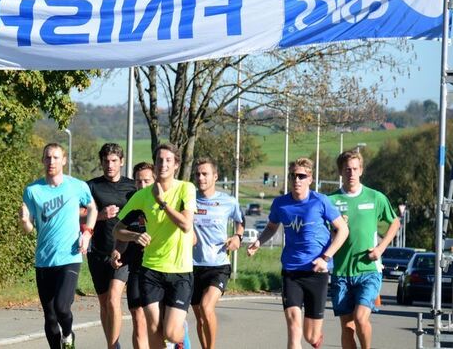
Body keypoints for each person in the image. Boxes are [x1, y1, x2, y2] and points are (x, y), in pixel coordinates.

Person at [247, 157, 349, 349]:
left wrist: (325, 258)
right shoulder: (280, 204)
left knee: (310, 336)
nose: (297, 180)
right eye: (293, 175)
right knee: (294, 327)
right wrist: (259, 241)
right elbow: (271, 227)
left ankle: (316, 337)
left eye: (301, 176)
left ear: (310, 179)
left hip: (316, 271)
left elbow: (343, 230)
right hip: (291, 270)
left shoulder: (321, 201)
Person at [113, 143, 196, 348]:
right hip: (151, 270)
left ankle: (180, 331)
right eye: (159, 160)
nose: (163, 164)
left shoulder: (186, 188)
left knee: (170, 332)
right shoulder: (142, 195)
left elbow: (186, 225)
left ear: (176, 164)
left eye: (168, 160)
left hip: (180, 271)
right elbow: (117, 230)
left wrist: (162, 202)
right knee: (154, 329)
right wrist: (133, 236)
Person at [20, 143, 98, 349]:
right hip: (44, 259)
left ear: (63, 160)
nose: (51, 162)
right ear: (42, 160)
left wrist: (87, 234)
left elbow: (92, 208)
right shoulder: (33, 191)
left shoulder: (77, 186)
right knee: (50, 315)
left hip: (70, 257)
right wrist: (24, 221)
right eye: (47, 158)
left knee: (62, 308)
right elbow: (28, 229)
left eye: (55, 158)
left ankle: (68, 334)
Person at [328, 150, 401, 349]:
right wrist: (335, 228)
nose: (351, 173)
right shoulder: (330, 201)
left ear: (361, 170)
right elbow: (325, 235)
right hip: (341, 271)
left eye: (354, 169)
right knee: (347, 328)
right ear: (340, 172)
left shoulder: (375, 197)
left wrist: (380, 248)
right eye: (347, 169)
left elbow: (395, 222)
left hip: (368, 270)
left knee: (361, 318)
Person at [86, 143, 136, 349]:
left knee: (114, 299)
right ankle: (113, 345)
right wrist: (100, 215)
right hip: (98, 252)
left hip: (123, 252)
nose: (110, 165)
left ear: (122, 162)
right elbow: (78, 212)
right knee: (105, 303)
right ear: (101, 162)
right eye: (106, 161)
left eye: (114, 161)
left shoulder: (132, 187)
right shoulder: (91, 186)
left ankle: (113, 346)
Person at [191, 158, 244, 349]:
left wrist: (237, 237)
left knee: (207, 307)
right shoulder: (189, 199)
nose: (200, 178)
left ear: (215, 176)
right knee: (200, 317)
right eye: (197, 174)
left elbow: (240, 221)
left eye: (205, 174)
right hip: (192, 265)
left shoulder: (228, 201)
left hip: (218, 265)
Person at [111, 162, 155, 349]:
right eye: (138, 181)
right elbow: (121, 231)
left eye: (147, 181)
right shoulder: (132, 202)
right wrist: (117, 250)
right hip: (136, 265)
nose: (142, 186)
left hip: (160, 266)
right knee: (138, 316)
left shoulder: (164, 202)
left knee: (162, 322)